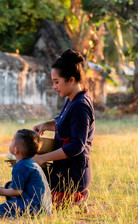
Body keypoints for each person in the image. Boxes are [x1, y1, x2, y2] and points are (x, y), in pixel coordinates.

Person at [33, 49, 95, 213]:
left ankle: (75, 197)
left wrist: (43, 158)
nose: (54, 87)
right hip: (66, 171)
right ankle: (75, 195)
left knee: (29, 176)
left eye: (56, 82)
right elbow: (64, 123)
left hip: (73, 175)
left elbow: (77, 146)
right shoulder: (73, 100)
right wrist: (46, 124)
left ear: (71, 80)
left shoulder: (80, 106)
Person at [0, 129, 53, 217]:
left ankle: (27, 214)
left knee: (0, 209)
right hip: (45, 207)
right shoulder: (31, 162)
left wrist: (2, 191)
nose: (11, 142)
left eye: (12, 141)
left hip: (34, 205)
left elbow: (17, 192)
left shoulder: (20, 166)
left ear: (16, 150)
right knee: (9, 185)